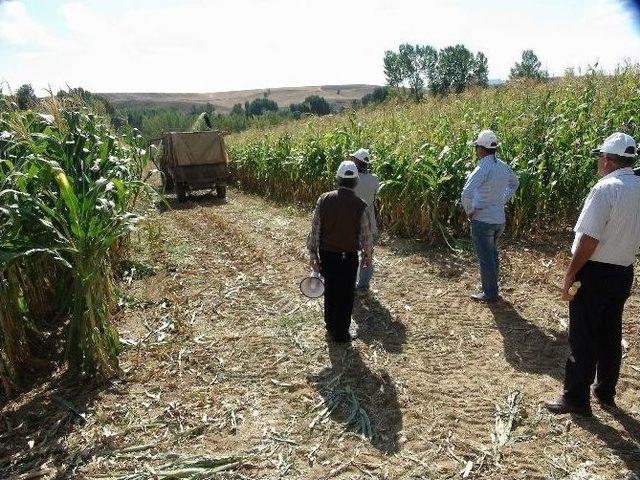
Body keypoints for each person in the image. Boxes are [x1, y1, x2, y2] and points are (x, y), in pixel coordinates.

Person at [545, 132, 640, 416]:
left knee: (583, 336)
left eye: (601, 157)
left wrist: (571, 273)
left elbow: (589, 239)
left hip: (595, 272)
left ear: (608, 161)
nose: (599, 162)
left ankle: (576, 398)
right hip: (623, 271)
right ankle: (605, 391)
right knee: (610, 333)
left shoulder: (606, 188)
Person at [307, 160, 373, 342]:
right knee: (346, 294)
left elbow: (315, 229)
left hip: (327, 255)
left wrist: (313, 254)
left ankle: (330, 325)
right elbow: (366, 236)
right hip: (348, 257)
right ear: (356, 181)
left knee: (331, 291)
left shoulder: (324, 199)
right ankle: (341, 333)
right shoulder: (361, 205)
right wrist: (367, 256)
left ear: (338, 178)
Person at [461, 130, 519, 302]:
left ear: (481, 148)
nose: (476, 150)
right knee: (492, 255)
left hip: (483, 220)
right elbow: (515, 183)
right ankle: (491, 288)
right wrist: (501, 199)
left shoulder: (481, 168)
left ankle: (490, 293)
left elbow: (466, 193)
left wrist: (469, 211)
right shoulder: (502, 166)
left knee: (486, 258)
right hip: (499, 219)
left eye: (477, 147)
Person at [351, 148, 380, 291]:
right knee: (367, 254)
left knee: (350, 253)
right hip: (369, 222)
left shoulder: (351, 180)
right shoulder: (374, 179)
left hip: (351, 223)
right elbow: (375, 196)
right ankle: (363, 285)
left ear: (356, 161)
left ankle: (349, 282)